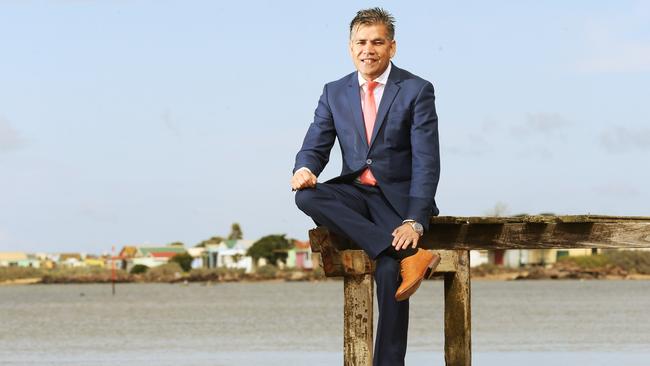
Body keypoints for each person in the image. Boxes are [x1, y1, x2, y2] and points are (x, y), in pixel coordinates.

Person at [291, 7, 441, 365]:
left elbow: (427, 160)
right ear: (350, 47)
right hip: (355, 194)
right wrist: (304, 168)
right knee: (306, 196)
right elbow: (315, 144)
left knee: (390, 273)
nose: (368, 49)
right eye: (361, 42)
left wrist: (414, 220)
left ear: (392, 47)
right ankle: (398, 252)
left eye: (377, 42)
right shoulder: (334, 91)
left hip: (397, 203)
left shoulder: (417, 89)